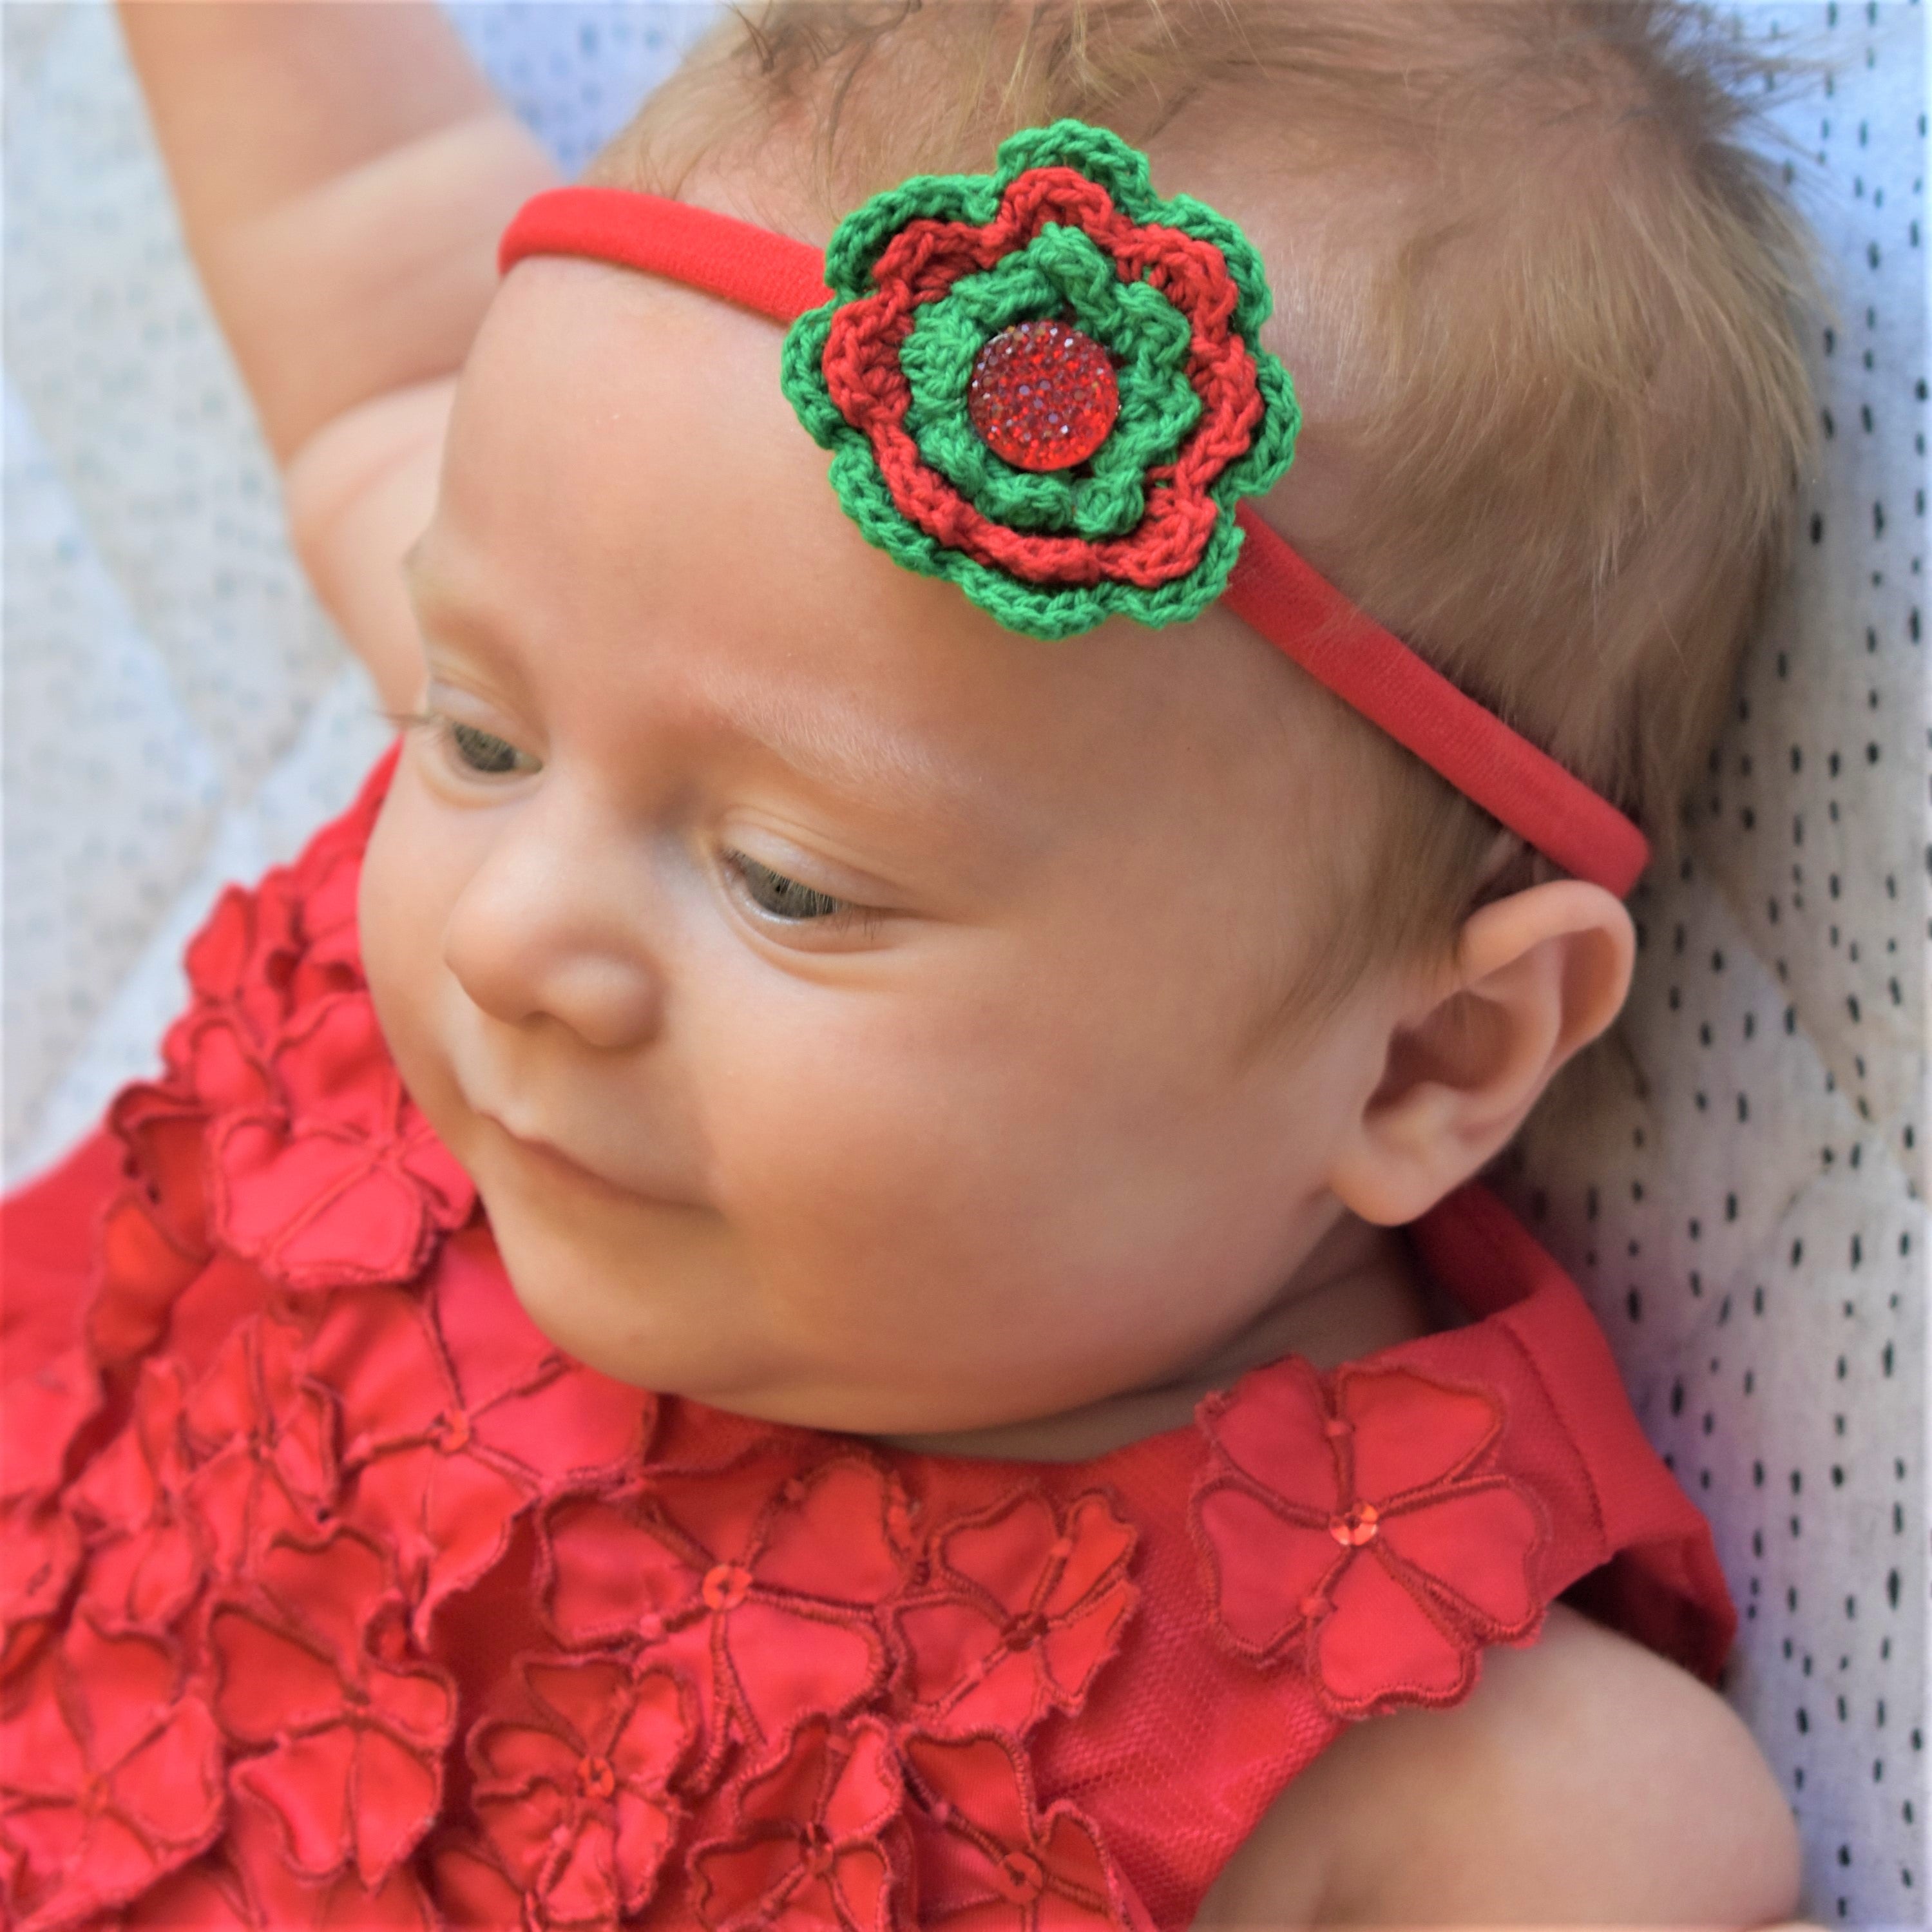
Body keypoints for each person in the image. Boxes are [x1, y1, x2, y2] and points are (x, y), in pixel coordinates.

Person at [0, 3, 1830, 1926]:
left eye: (790, 887)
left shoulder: (1473, 1806)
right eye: (473, 741)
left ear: (1429, 1061)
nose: (510, 933)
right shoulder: (614, 694)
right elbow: (376, 326)